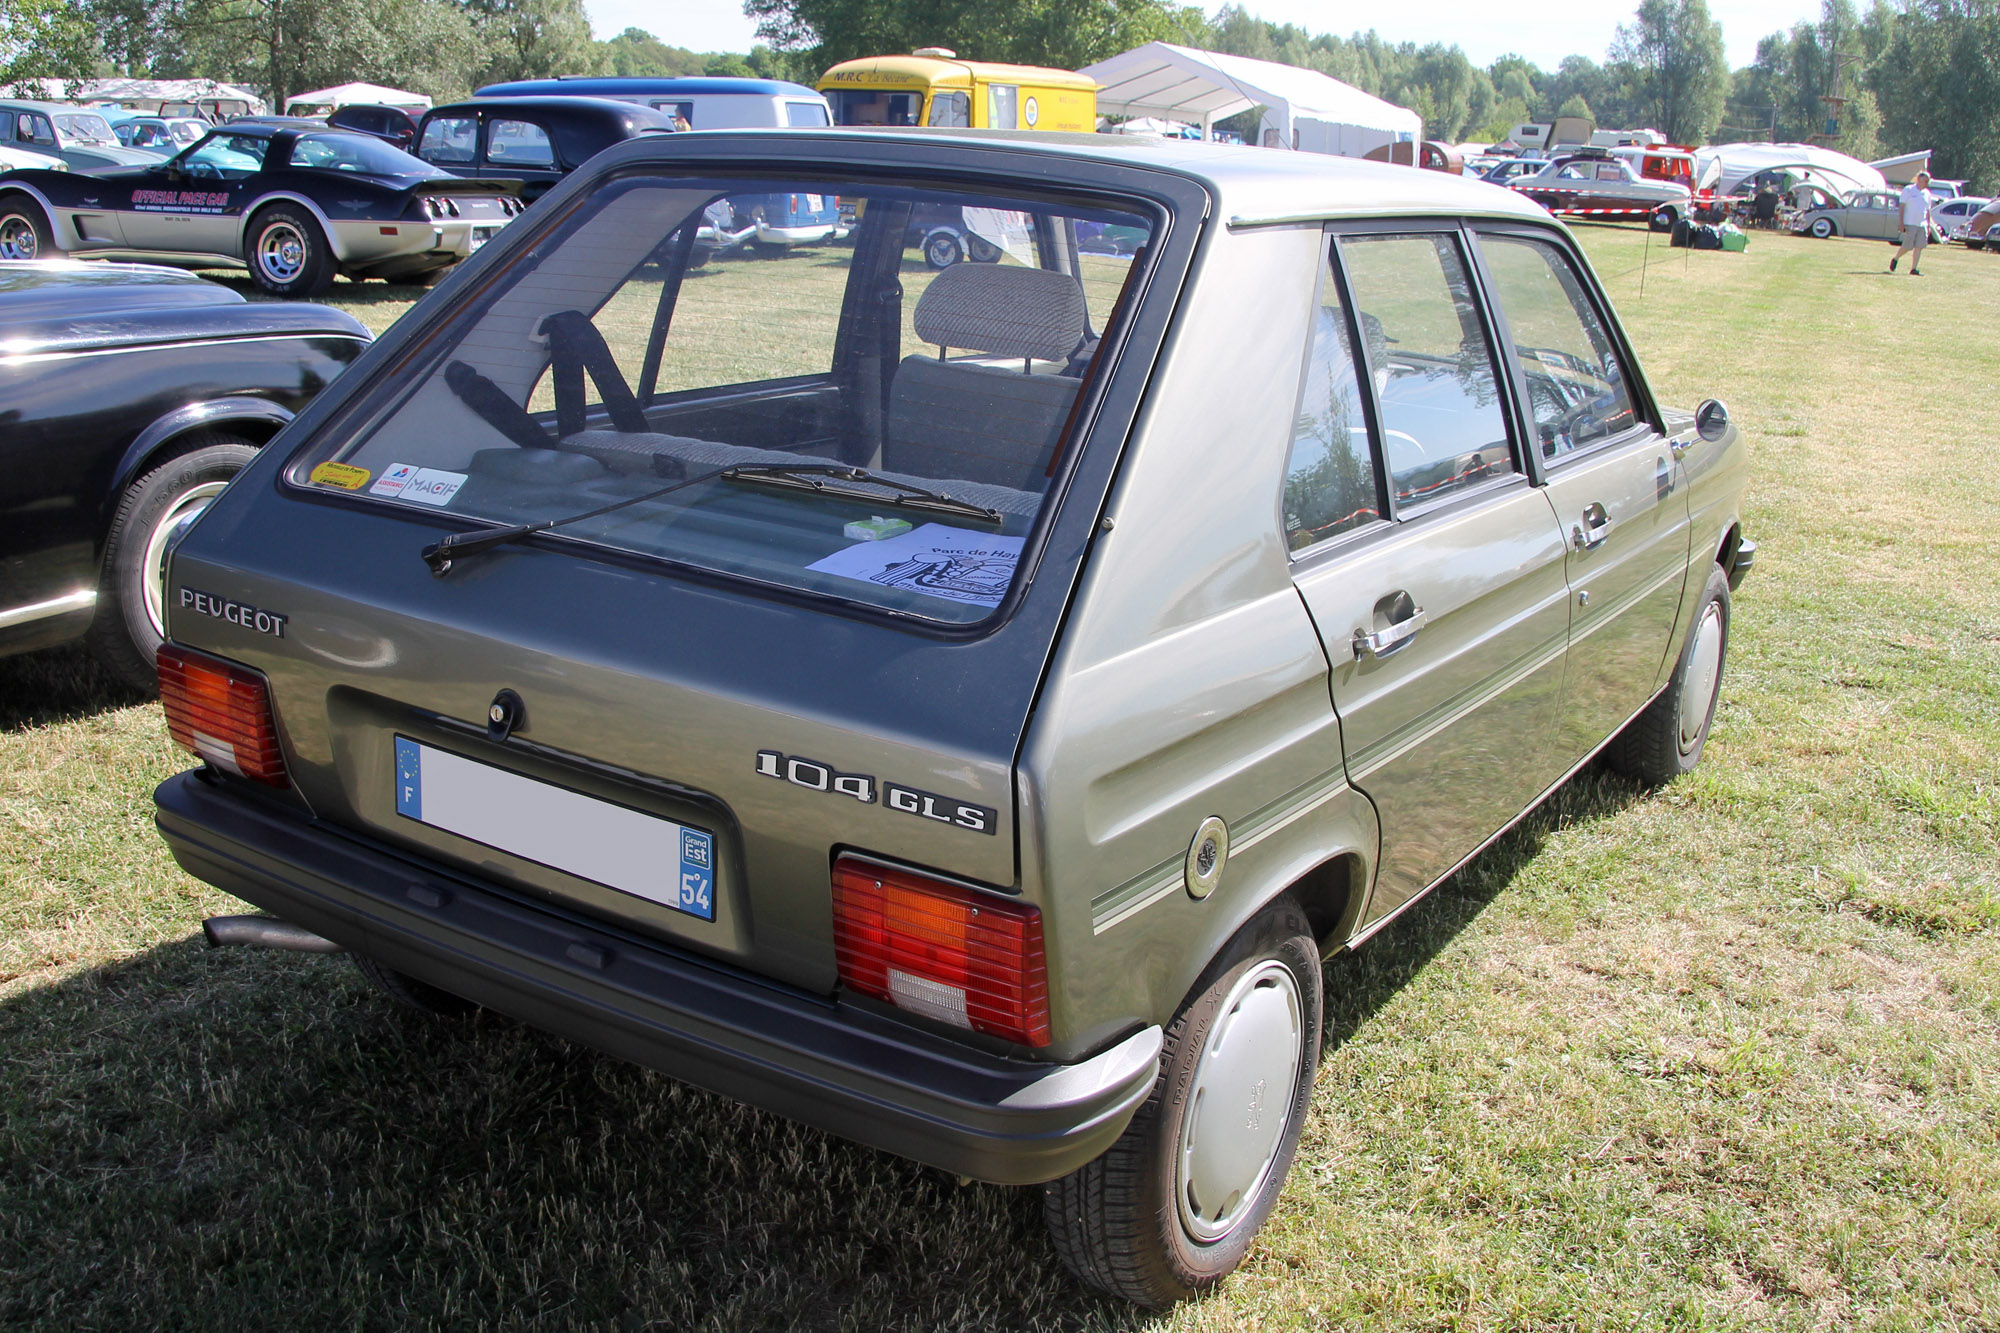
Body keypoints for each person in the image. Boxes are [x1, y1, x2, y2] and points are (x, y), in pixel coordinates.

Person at [1891, 171, 1937, 275]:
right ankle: (1896, 258)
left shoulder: (1927, 194)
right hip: (1910, 222)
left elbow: (1928, 210)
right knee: (1907, 246)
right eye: (1925, 181)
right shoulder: (1908, 190)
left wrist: (1929, 225)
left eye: (1928, 181)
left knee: (1919, 246)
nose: (1927, 183)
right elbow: (1902, 207)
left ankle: (1914, 269)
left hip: (1922, 224)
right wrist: (1901, 222)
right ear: (1919, 180)